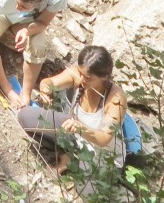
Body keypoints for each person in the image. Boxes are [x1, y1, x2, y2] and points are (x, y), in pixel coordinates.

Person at [18, 46, 127, 190]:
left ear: (104, 77)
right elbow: (49, 82)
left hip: (101, 153)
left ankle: (79, 166)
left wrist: (81, 128)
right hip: (75, 135)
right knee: (25, 116)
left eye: (88, 78)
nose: (82, 79)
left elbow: (104, 139)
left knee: (88, 193)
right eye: (80, 73)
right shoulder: (78, 76)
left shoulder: (115, 99)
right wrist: (46, 89)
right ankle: (67, 156)